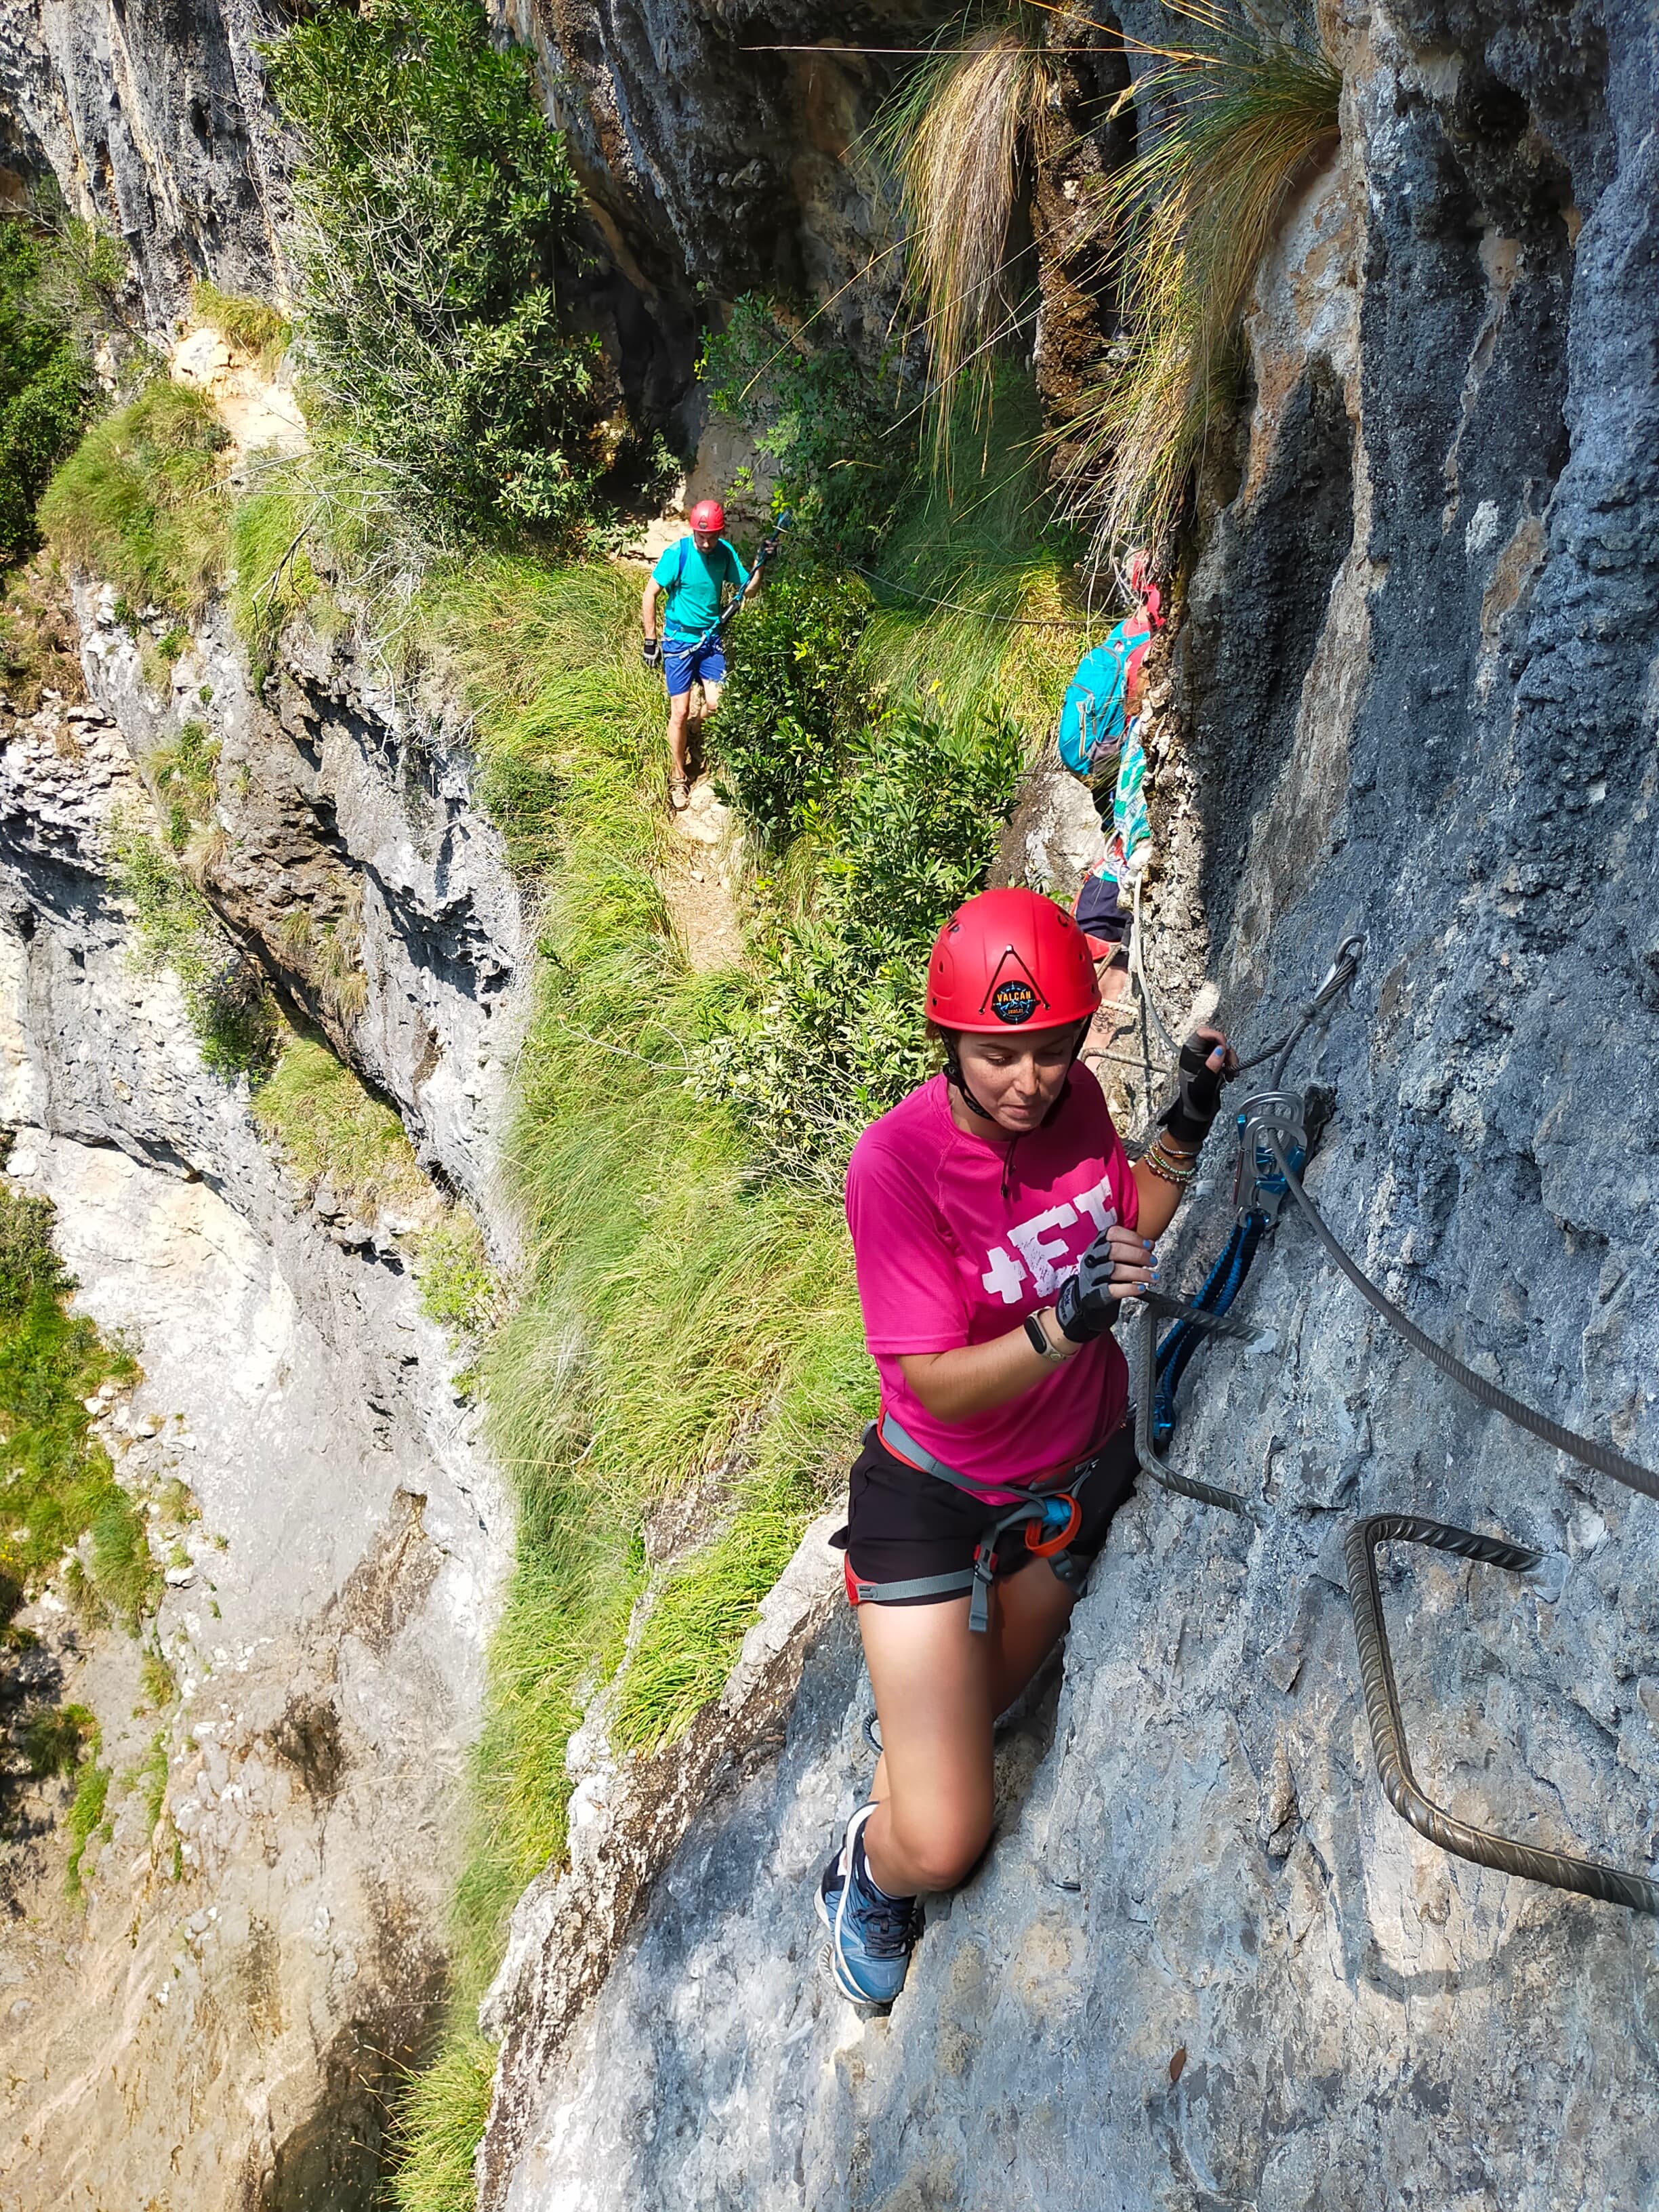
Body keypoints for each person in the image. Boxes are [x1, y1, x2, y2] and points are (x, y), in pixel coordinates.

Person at [819, 884, 1235, 2005]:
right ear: (946, 1039)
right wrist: (1060, 1324)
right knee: (945, 1834)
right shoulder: (895, 1168)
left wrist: (1186, 1122)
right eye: (999, 1052)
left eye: (1049, 1050)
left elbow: (1120, 1225)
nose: (1029, 1080)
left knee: (984, 1710)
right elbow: (934, 1384)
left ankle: (920, 1725)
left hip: (1066, 1478)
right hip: (935, 1492)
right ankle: (867, 1861)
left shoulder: (1075, 1104)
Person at [640, 498, 761, 811]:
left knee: (716, 704)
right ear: (693, 530)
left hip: (710, 640)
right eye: (701, 536)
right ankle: (678, 778)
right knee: (678, 713)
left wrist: (760, 564)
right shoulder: (677, 554)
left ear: (721, 533)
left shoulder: (725, 553)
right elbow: (650, 594)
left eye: (713, 536)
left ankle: (695, 730)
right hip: (679, 642)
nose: (707, 543)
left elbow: (748, 589)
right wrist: (651, 641)